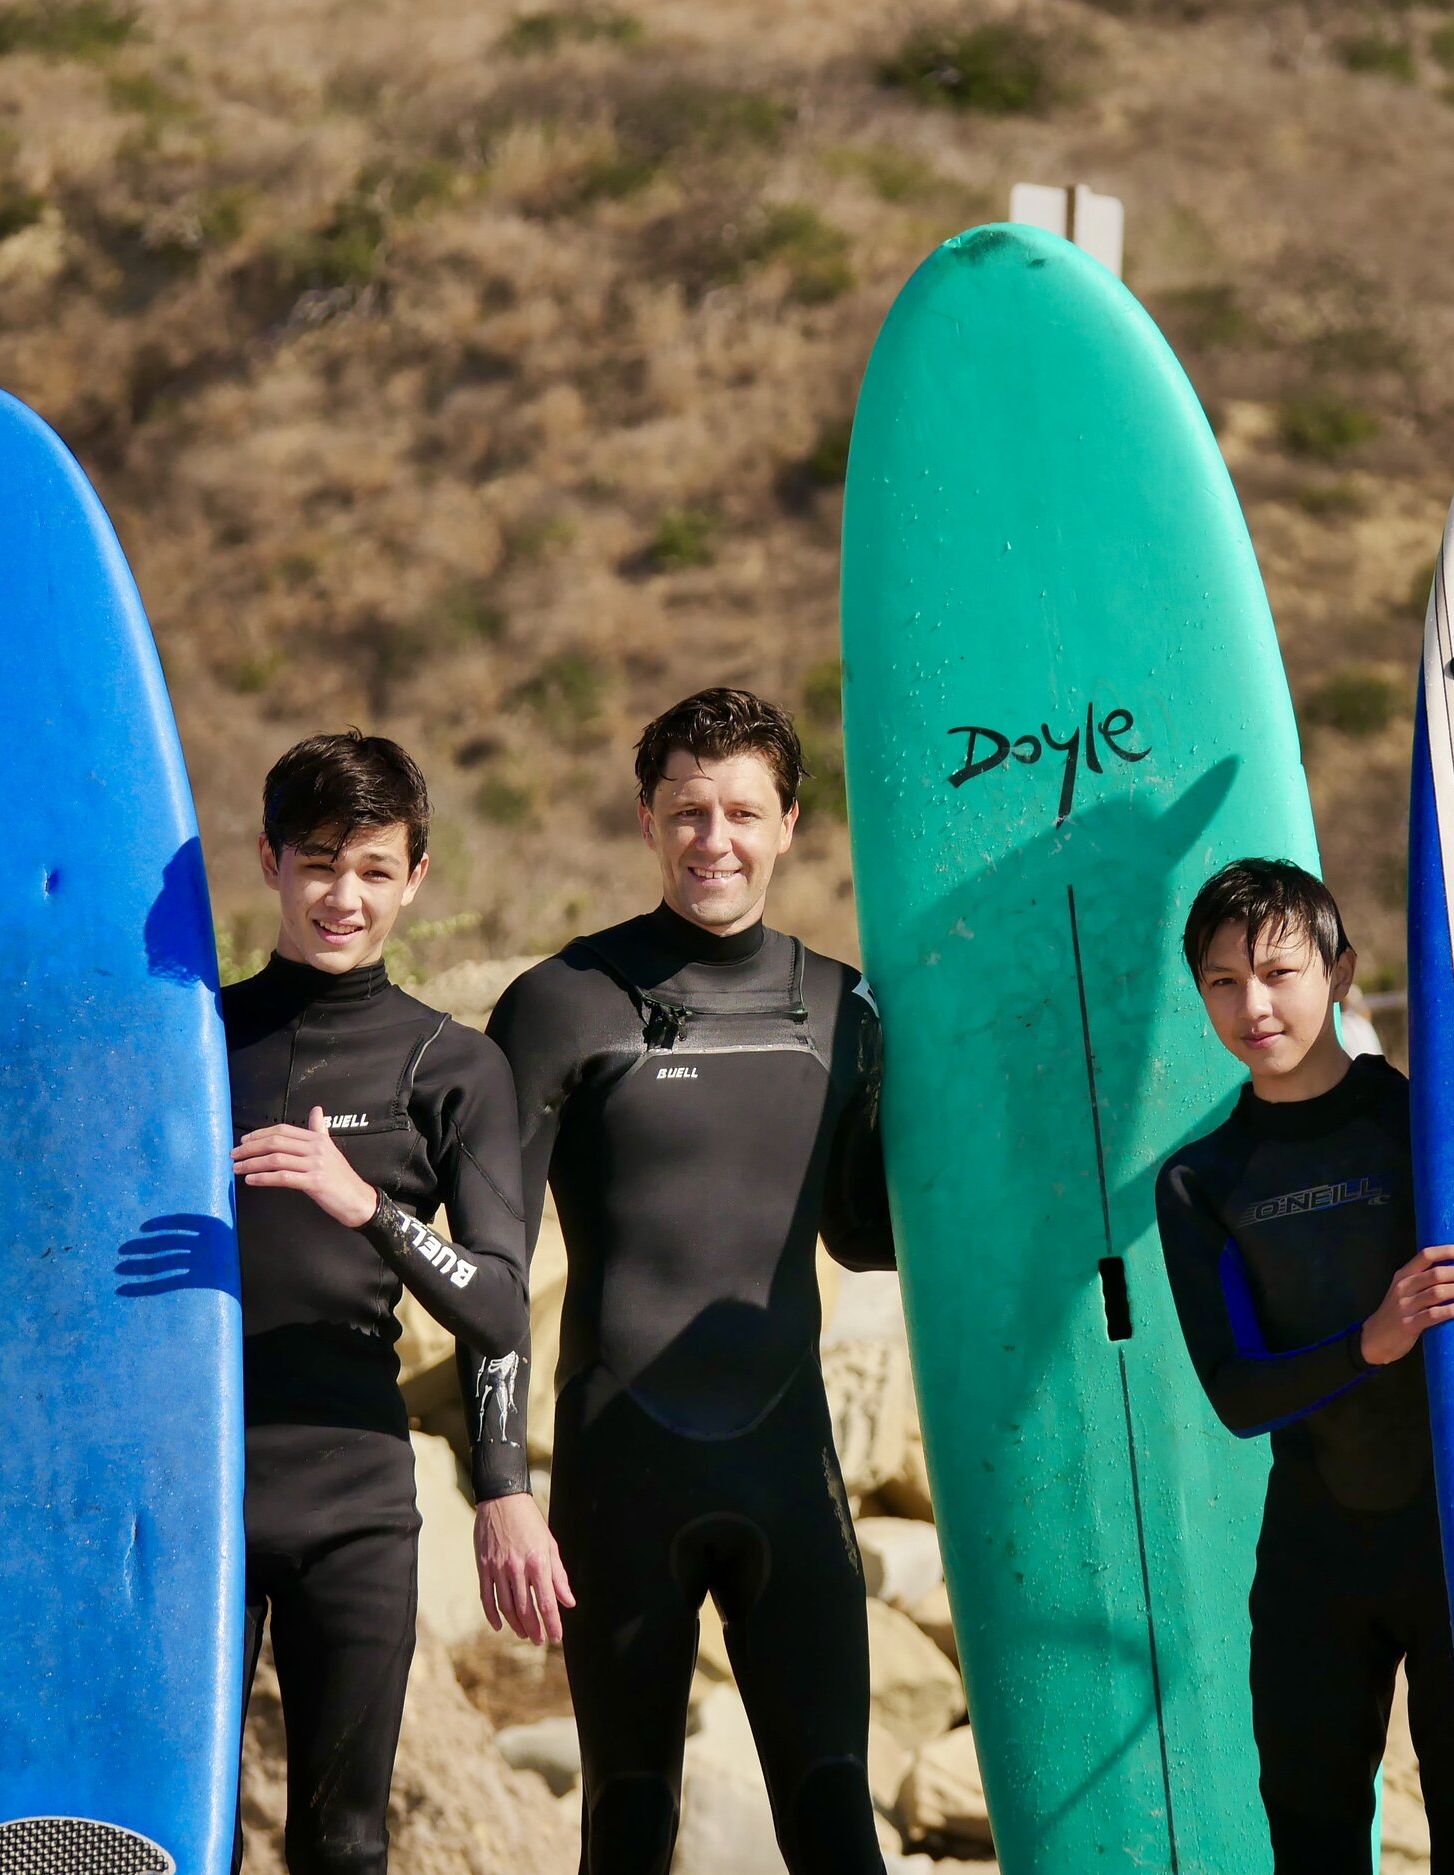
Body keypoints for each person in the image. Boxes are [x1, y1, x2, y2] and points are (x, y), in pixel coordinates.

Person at [0, 730, 536, 1875]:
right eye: (317, 863)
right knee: (142, 1838)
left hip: (353, 1504)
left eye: (372, 870)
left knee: (344, 1843)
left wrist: (364, 1207)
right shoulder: (183, 1041)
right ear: (266, 861)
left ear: (417, 876)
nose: (342, 897)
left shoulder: (454, 1068)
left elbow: (499, 1308)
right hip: (170, 1494)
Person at [473, 687, 893, 1875]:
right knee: (627, 1829)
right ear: (649, 821)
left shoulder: (844, 1006)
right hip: (619, 1479)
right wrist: (500, 1484)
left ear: (789, 823)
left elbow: (863, 1234)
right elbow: (495, 1263)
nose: (716, 841)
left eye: (742, 814)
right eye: (689, 812)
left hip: (790, 1477)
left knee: (834, 1830)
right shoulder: (562, 1003)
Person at [1153, 857, 1454, 1874]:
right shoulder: (1200, 1180)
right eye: (1221, 981)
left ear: (1338, 972)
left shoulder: (1427, 1129)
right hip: (1315, 1560)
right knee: (1312, 1843)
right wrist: (1369, 1340)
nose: (1252, 1005)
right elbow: (1235, 1394)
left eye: (1278, 972)